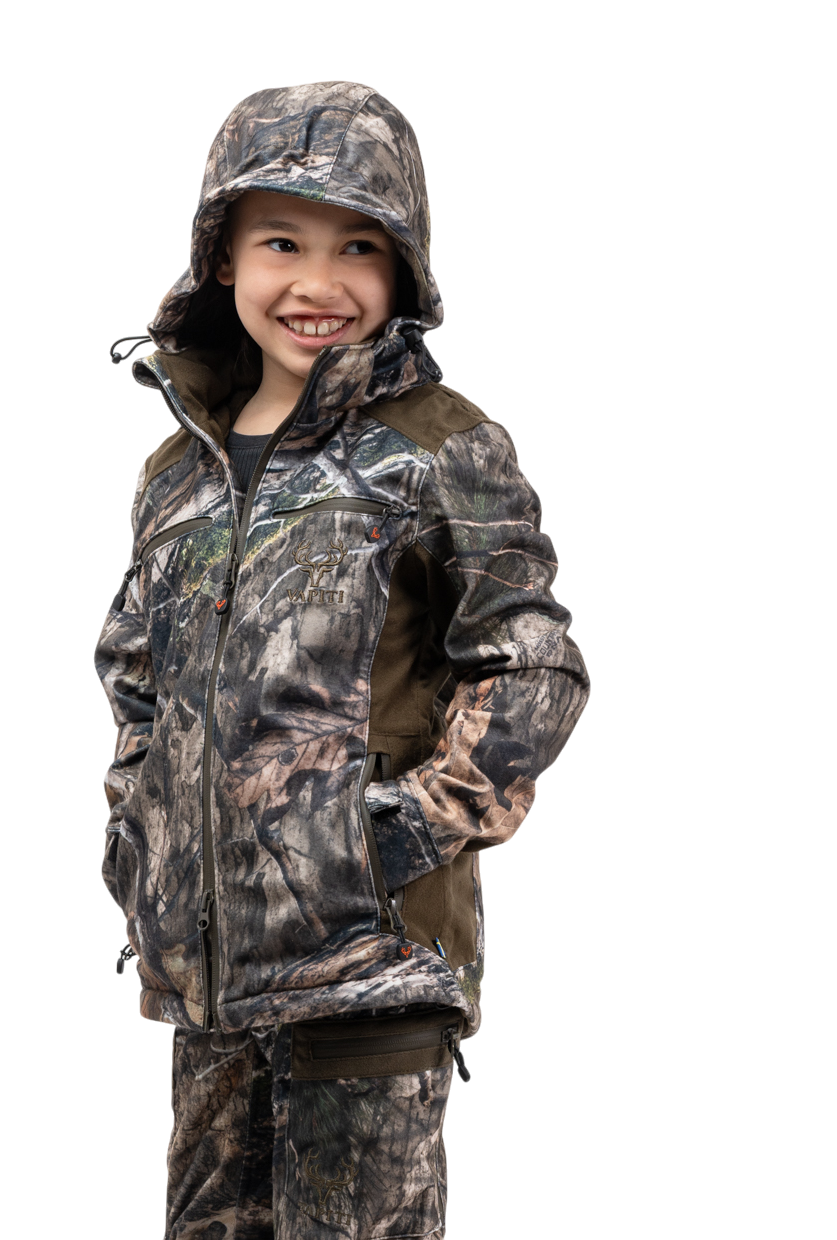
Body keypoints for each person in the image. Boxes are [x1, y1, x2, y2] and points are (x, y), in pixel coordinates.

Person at [98, 81, 590, 1239]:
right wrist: (139, 836)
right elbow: (135, 681)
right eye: (281, 242)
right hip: (204, 983)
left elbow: (533, 662)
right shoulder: (174, 474)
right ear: (220, 257)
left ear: (403, 265)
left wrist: (394, 832)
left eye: (357, 246)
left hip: (369, 968)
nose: (317, 283)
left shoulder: (439, 445)